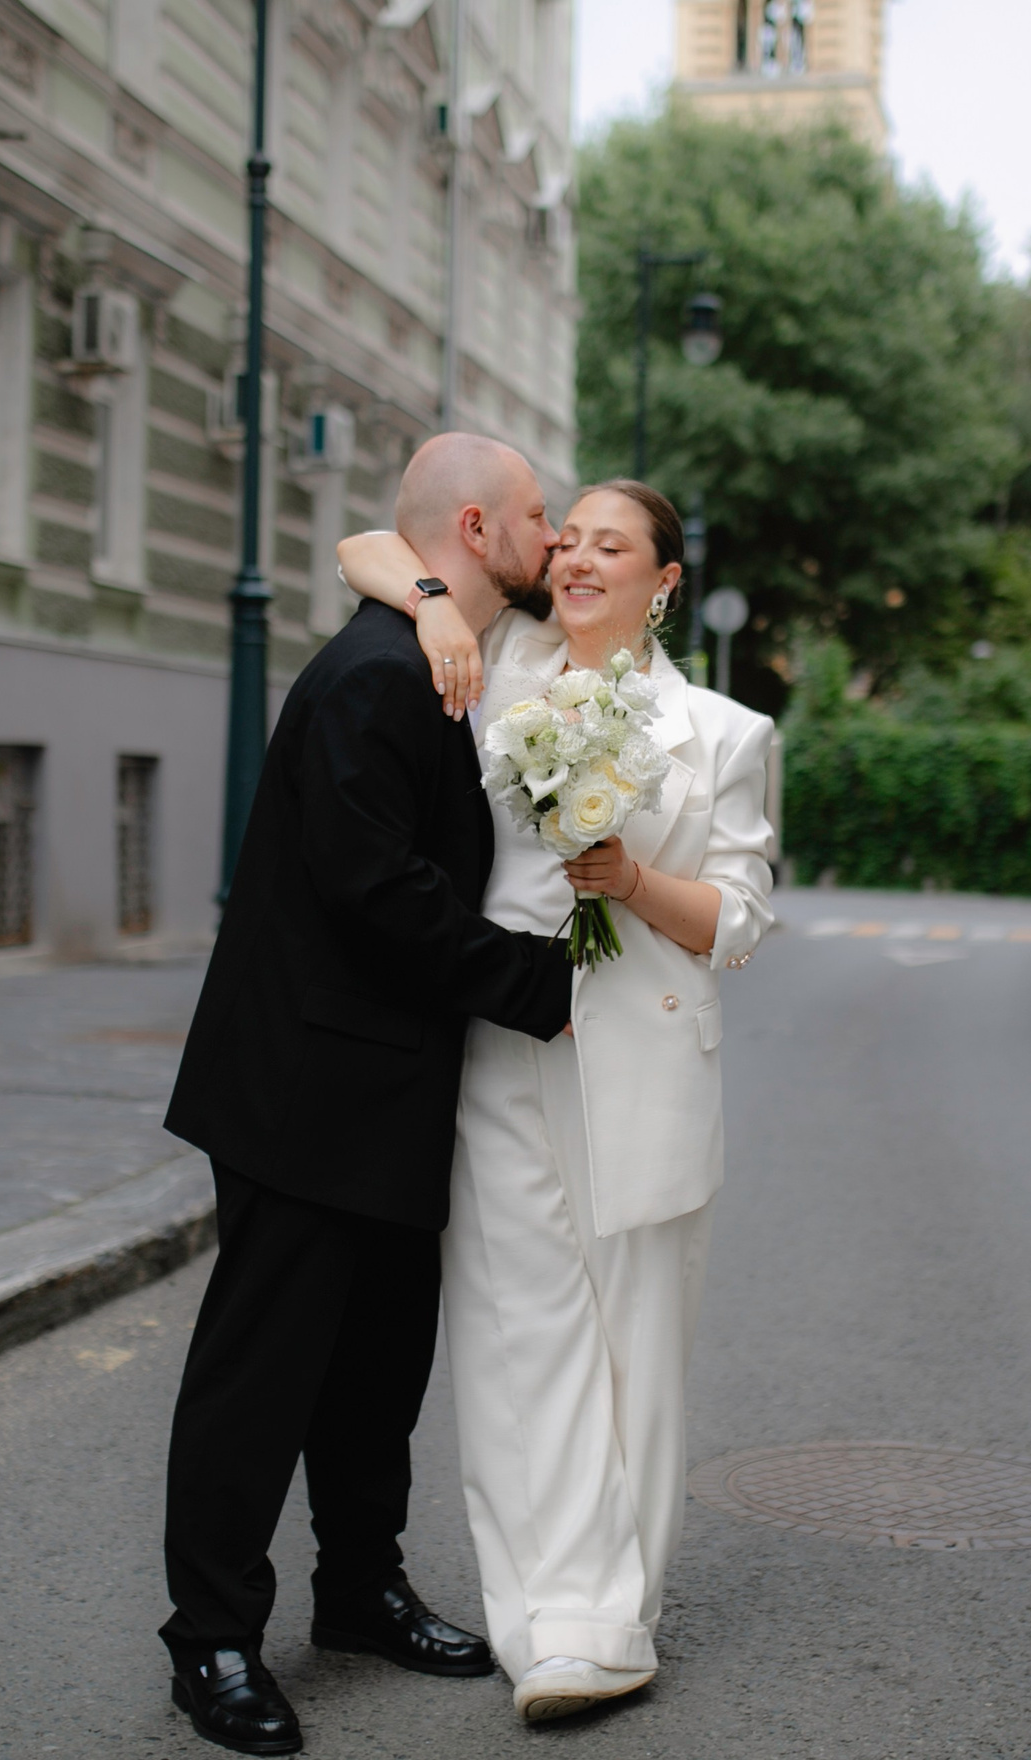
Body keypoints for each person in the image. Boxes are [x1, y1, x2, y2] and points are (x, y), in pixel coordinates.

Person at [156, 433, 576, 1756]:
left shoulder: (436, 643)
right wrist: (536, 982)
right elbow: (376, 891)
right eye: (536, 516)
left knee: (376, 1367)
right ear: (473, 524)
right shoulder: (378, 675)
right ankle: (212, 1640)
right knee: (259, 1376)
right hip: (303, 1086)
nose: (554, 538)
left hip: (390, 1087)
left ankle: (359, 1591)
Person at [334, 478, 776, 1724]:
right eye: (566, 537)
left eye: (611, 544)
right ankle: (545, 1626)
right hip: (494, 1047)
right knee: (519, 1338)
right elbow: (361, 542)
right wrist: (430, 606)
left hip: (637, 1053)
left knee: (635, 1347)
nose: (577, 556)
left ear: (664, 578)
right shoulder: (498, 654)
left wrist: (631, 877)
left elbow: (737, 923)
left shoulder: (725, 735)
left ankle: (611, 1614)